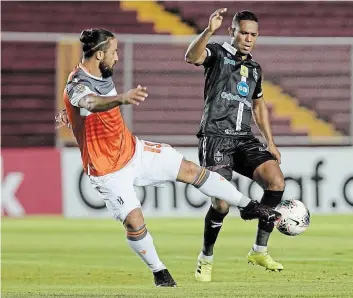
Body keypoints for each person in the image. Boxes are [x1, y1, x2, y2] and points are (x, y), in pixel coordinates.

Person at [56, 28, 281, 287]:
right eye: (114, 53)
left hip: (133, 150)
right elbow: (91, 102)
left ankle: (250, 206)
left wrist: (69, 112)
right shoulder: (77, 84)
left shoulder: (99, 71)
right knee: (134, 221)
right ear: (98, 55)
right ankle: (160, 272)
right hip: (107, 170)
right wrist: (121, 99)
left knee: (191, 170)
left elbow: (83, 104)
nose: (117, 58)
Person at [185, 9, 286, 281]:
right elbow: (191, 56)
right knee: (221, 204)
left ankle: (259, 249)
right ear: (233, 31)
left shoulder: (254, 69)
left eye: (253, 34)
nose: (249, 38)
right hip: (215, 136)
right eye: (244, 32)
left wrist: (270, 142)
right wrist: (208, 31)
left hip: (243, 138)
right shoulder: (217, 53)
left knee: (276, 181)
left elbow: (258, 104)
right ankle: (205, 258)